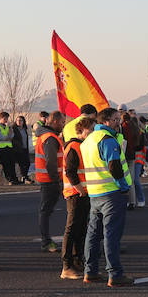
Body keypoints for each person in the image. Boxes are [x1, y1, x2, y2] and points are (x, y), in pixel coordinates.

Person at [83, 108, 134, 287]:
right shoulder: (107, 140)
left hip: (94, 192)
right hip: (111, 193)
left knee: (93, 234)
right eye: (115, 119)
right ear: (105, 122)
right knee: (111, 234)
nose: (118, 122)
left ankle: (90, 271)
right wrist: (123, 186)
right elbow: (114, 166)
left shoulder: (88, 140)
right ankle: (115, 273)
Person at [60, 117, 94, 280]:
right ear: (81, 131)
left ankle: (77, 259)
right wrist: (80, 190)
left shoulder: (82, 146)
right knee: (72, 229)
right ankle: (66, 266)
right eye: (90, 130)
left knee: (81, 229)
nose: (92, 133)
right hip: (75, 194)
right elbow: (71, 172)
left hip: (83, 193)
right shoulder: (74, 147)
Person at [32, 112, 66, 252]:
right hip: (50, 180)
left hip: (47, 179)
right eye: (62, 122)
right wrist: (57, 180)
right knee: (45, 211)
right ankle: (46, 242)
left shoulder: (46, 136)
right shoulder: (50, 138)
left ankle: (46, 241)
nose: (63, 125)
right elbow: (51, 162)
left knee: (45, 210)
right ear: (56, 121)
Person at [122, 111, 147, 209]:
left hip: (137, 158)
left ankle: (140, 199)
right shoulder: (134, 132)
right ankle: (134, 200)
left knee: (134, 180)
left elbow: (141, 147)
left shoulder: (139, 133)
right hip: (133, 158)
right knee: (132, 180)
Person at [0, 111, 19, 184]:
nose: (6, 120)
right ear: (0, 118)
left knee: (12, 163)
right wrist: (7, 137)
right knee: (6, 164)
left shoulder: (7, 126)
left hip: (9, 147)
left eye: (7, 118)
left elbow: (12, 136)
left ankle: (15, 179)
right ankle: (10, 179)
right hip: (1, 148)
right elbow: (0, 137)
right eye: (5, 118)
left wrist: (9, 128)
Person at [13, 115, 33, 183]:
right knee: (22, 164)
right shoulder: (14, 129)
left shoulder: (24, 129)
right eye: (17, 120)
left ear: (23, 122)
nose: (19, 122)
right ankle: (24, 177)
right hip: (18, 149)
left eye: (20, 120)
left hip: (25, 148)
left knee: (27, 163)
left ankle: (24, 176)